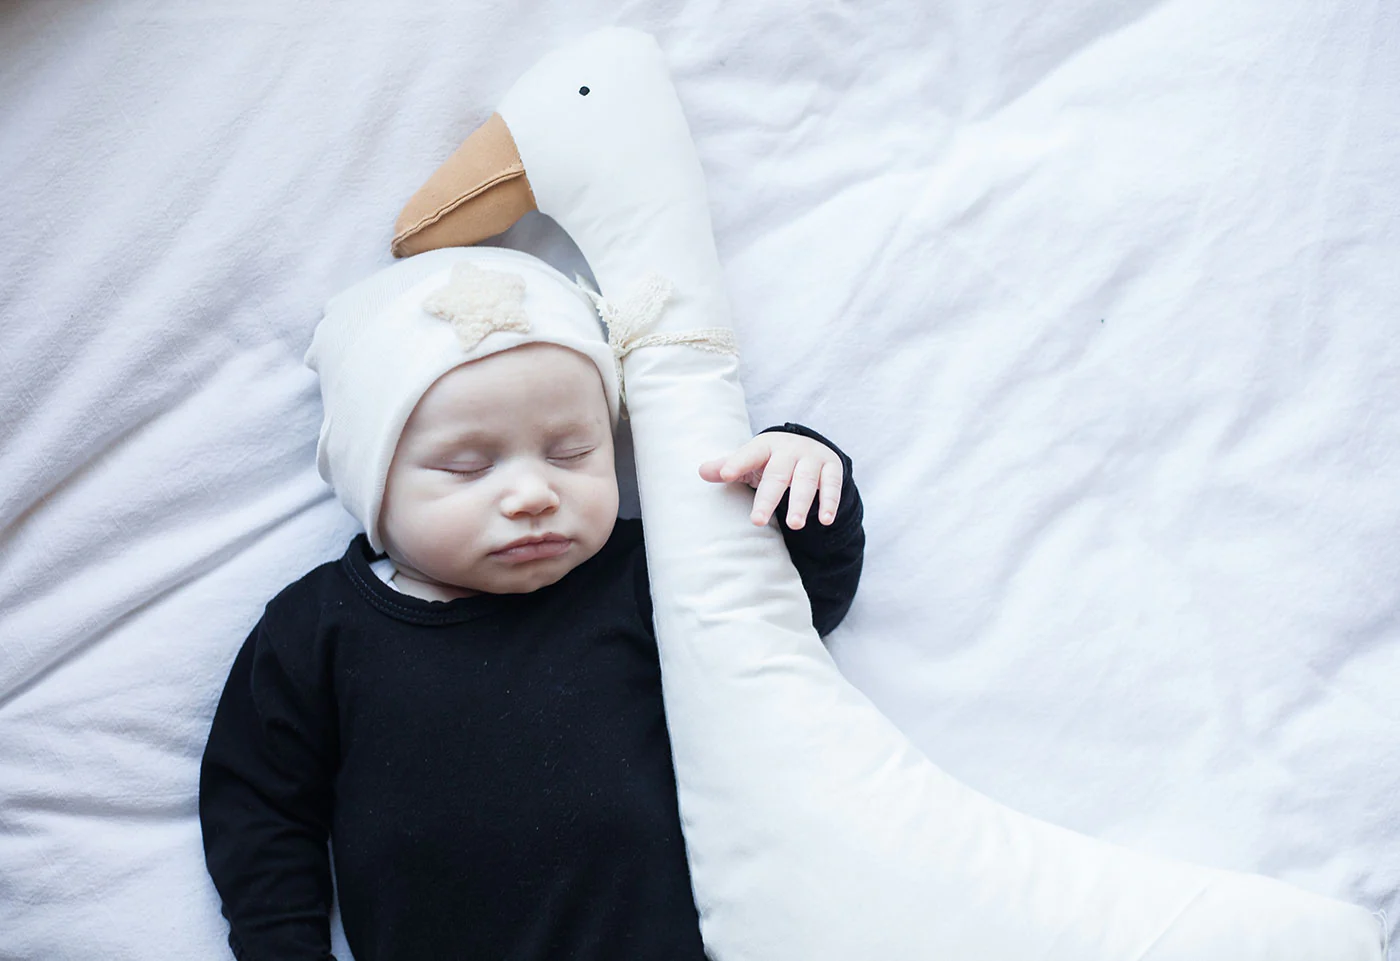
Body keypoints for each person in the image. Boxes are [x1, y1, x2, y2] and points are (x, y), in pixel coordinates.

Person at [198, 245, 865, 961]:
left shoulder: (647, 576)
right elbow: (258, 807)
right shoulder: (316, 633)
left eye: (572, 452)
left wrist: (804, 483)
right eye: (468, 466)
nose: (531, 494)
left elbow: (784, 618)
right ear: (372, 482)